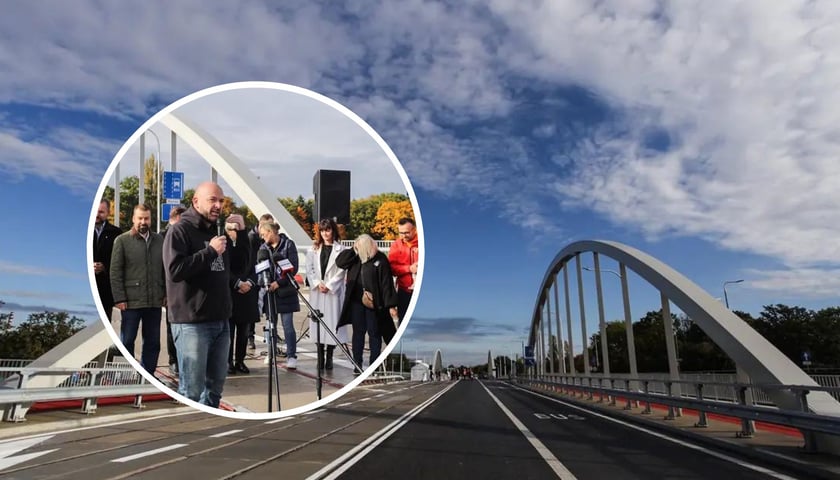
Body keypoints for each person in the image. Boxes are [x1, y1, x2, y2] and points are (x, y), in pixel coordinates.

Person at [162, 182, 248, 407]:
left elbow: (236, 267)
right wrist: (209, 252)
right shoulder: (179, 231)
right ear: (196, 201)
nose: (218, 205)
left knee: (214, 391)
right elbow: (175, 271)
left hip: (221, 321)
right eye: (212, 200)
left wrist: (242, 235)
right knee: (192, 390)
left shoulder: (217, 232)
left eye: (221, 201)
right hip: (192, 323)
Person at [109, 204, 166, 375]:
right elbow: (115, 271)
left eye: (146, 218)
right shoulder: (122, 241)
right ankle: (124, 375)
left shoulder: (159, 241)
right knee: (127, 340)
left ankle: (147, 375)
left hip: (154, 301)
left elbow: (165, 269)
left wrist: (165, 294)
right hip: (131, 301)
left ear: (151, 219)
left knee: (153, 341)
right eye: (140, 218)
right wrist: (119, 298)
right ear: (133, 219)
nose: (143, 221)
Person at [336, 234, 398, 374]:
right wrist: (354, 249)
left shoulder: (380, 259)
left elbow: (386, 283)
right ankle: (357, 363)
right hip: (357, 301)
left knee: (374, 332)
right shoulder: (355, 258)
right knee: (358, 332)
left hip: (374, 303)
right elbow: (340, 262)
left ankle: (374, 364)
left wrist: (391, 305)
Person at [305, 218, 348, 371]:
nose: (325, 233)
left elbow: (341, 271)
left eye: (328, 230)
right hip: (318, 291)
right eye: (322, 230)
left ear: (333, 231)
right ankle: (320, 356)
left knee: (331, 324)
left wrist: (329, 286)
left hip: (332, 292)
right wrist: (317, 283)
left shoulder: (340, 249)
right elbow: (309, 269)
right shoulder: (313, 249)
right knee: (318, 324)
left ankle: (329, 356)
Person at [258, 221, 300, 370]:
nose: (263, 238)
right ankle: (271, 353)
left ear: (271, 232)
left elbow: (292, 268)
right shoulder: (263, 248)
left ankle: (291, 356)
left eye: (263, 234)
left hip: (285, 291)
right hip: (270, 293)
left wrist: (279, 283)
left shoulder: (288, 245)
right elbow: (260, 268)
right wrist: (265, 283)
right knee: (270, 325)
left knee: (288, 325)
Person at [163, 206, 186, 376]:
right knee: (173, 328)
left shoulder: (186, 235)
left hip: (186, 291)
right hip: (170, 290)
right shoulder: (164, 237)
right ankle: (174, 360)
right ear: (177, 218)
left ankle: (183, 359)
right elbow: (159, 267)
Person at [246, 213, 274, 351]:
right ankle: (250, 336)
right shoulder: (252, 238)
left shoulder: (267, 238)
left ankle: (271, 333)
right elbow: (250, 259)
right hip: (255, 275)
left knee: (269, 306)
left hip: (265, 274)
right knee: (252, 307)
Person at [93, 199, 122, 322]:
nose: (97, 215)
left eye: (101, 212)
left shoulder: (116, 233)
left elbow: (120, 261)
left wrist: (104, 267)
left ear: (108, 212)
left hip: (105, 289)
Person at [388, 217, 419, 324]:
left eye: (407, 232)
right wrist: (409, 269)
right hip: (404, 291)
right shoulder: (396, 245)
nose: (403, 236)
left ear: (414, 229)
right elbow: (391, 269)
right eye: (401, 233)